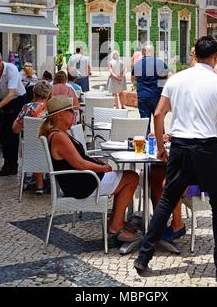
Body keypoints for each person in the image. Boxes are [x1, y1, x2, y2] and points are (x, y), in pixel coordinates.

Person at [134, 36, 217, 284]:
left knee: (167, 200)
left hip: (180, 146)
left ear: (194, 54)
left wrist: (163, 145)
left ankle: (144, 256)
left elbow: (158, 112)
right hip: (207, 146)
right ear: (216, 57)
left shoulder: (176, 79)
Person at [151, 93, 217, 242]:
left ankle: (177, 225)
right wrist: (170, 137)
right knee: (156, 172)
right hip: (204, 173)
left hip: (216, 181)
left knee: (171, 182)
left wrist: (195, 167)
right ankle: (158, 223)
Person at [39, 96, 141, 242]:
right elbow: (79, 164)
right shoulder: (59, 137)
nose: (74, 114)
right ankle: (115, 226)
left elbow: (80, 159)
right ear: (60, 115)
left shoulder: (59, 133)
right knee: (132, 178)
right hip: (82, 185)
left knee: (127, 176)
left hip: (81, 180)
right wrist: (101, 168)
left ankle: (115, 221)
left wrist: (97, 164)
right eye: (71, 112)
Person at [12, 80, 52, 194]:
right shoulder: (52, 108)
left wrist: (23, 121)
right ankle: (49, 179)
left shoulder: (27, 108)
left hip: (31, 149)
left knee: (35, 145)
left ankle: (39, 184)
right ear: (49, 94)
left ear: (34, 93)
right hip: (49, 149)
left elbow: (15, 129)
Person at [132, 45, 168, 135]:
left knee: (145, 121)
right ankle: (161, 142)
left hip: (143, 96)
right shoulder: (160, 63)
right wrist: (159, 87)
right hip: (157, 96)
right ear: (153, 52)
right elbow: (166, 78)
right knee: (159, 120)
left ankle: (147, 143)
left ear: (143, 53)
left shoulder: (138, 64)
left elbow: (133, 79)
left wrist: (140, 85)